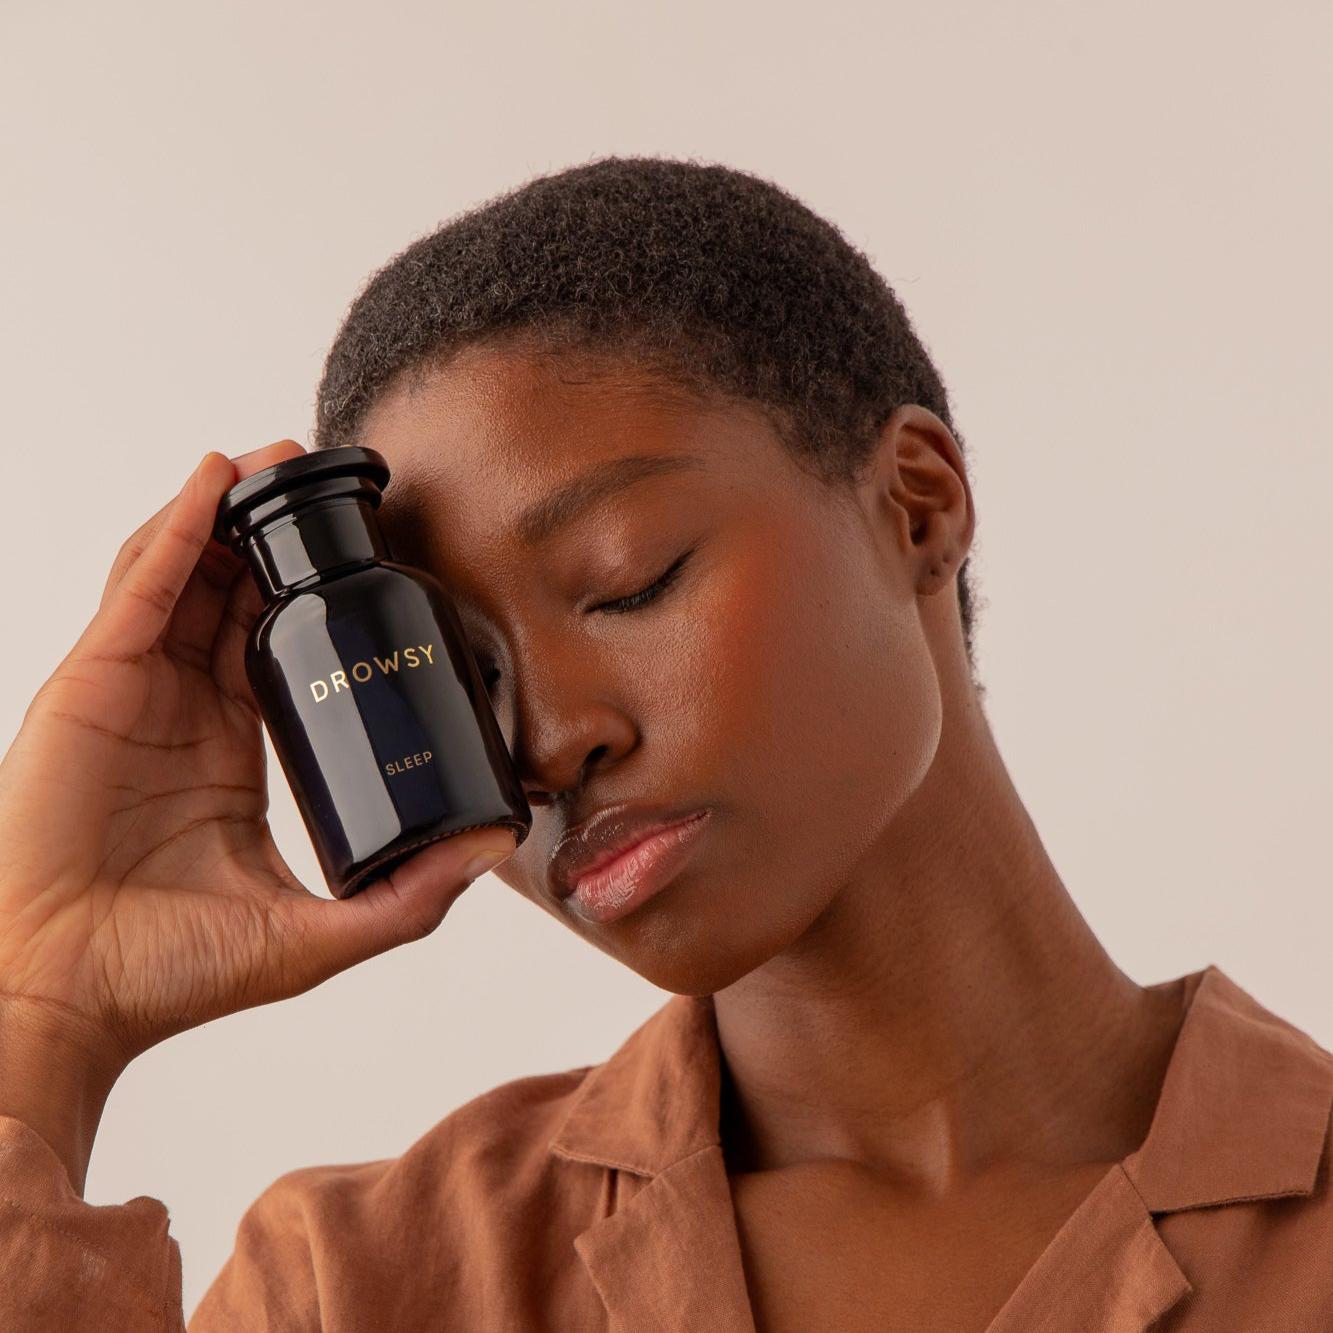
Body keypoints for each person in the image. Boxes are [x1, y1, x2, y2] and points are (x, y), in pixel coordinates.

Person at [1, 156, 1330, 1332]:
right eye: (467, 678)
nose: (546, 743)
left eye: (627, 581)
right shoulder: (365, 1285)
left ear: (916, 508)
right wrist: (44, 1010)